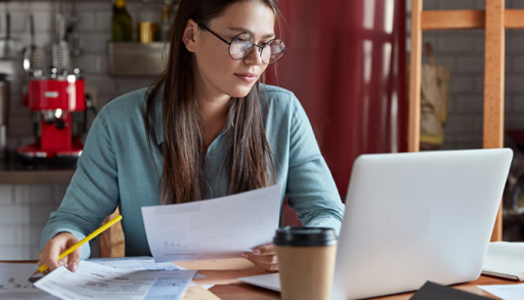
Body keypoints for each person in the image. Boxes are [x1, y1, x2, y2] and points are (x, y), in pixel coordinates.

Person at [39, 0, 344, 273]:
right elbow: (75, 220)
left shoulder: (283, 112)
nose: (257, 60)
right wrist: (67, 237)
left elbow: (327, 213)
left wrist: (306, 244)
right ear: (191, 35)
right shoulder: (118, 122)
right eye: (241, 41)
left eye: (266, 44)